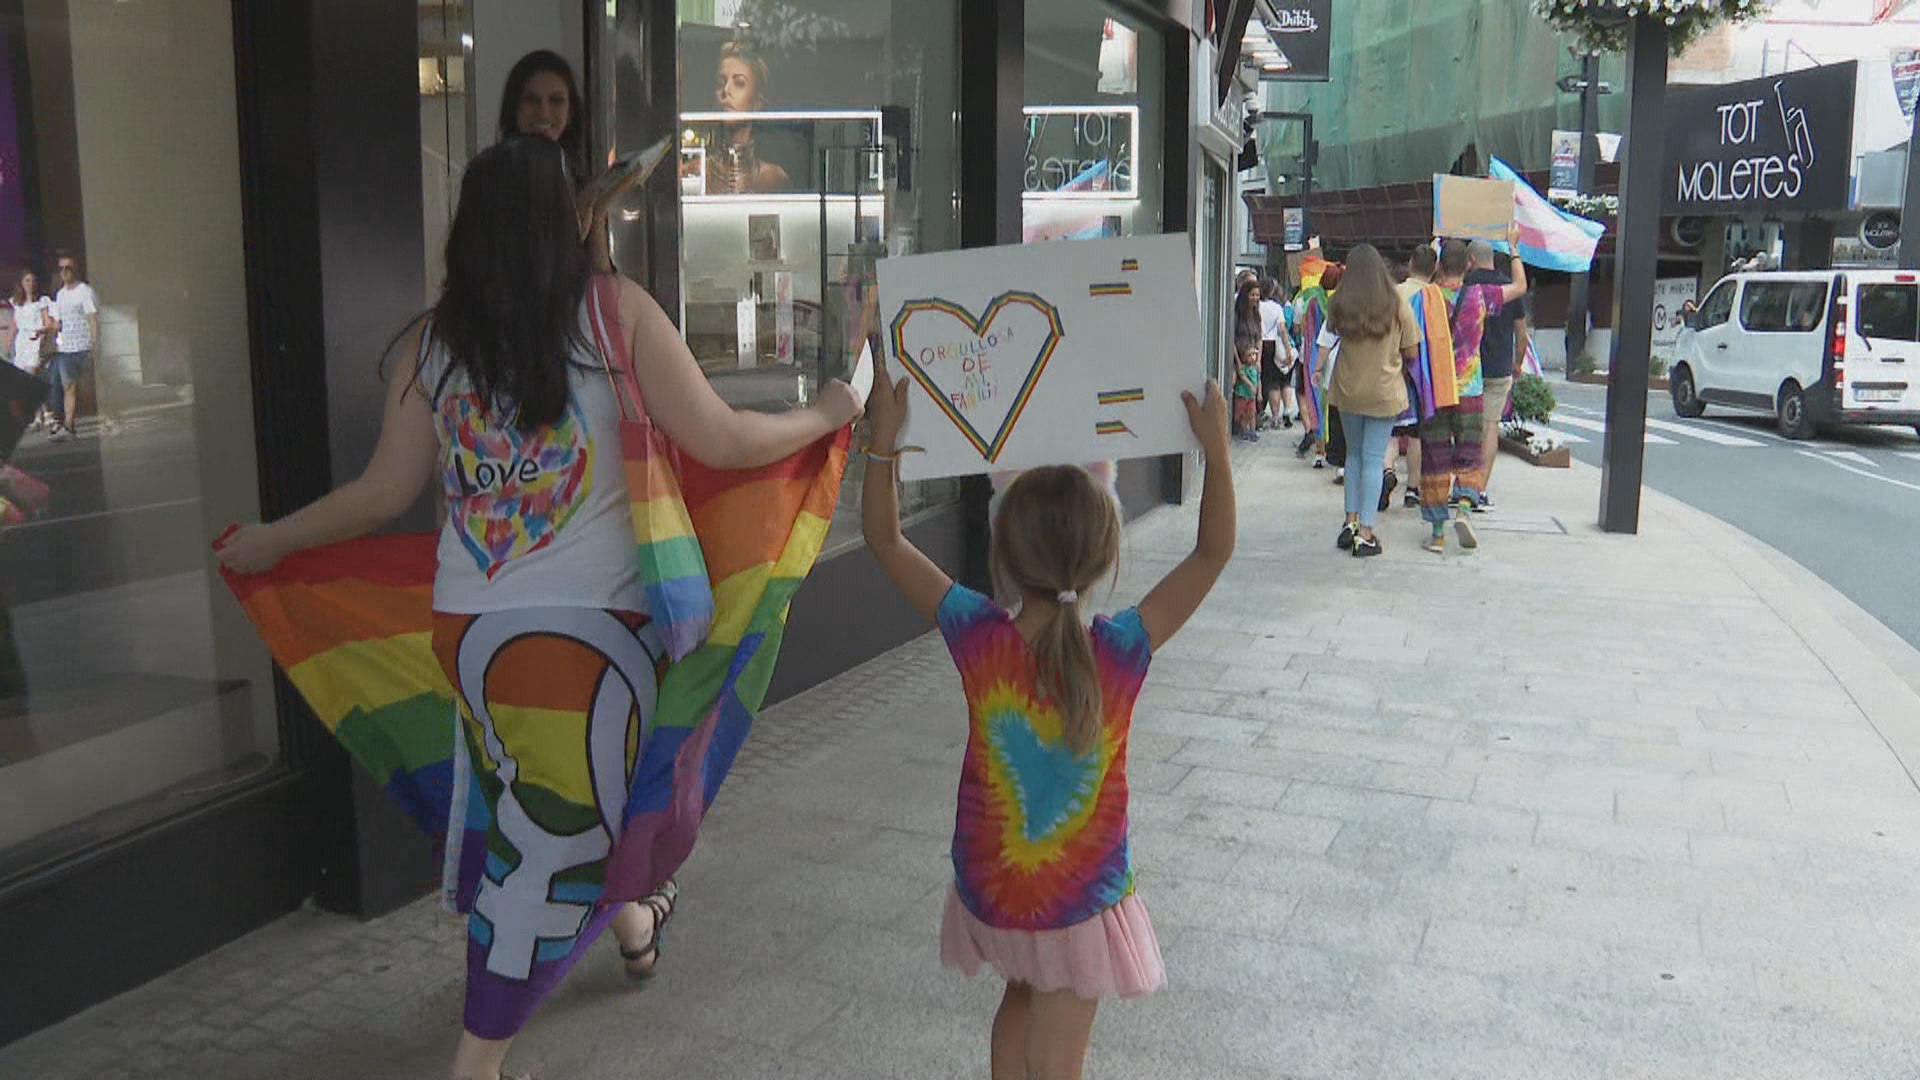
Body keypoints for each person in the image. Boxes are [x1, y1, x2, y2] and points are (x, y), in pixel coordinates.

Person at [216, 135, 862, 1080]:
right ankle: (478, 1058)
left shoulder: (435, 343)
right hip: (594, 641)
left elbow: (380, 491)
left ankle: (636, 924)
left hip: (471, 638)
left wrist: (276, 540)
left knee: (559, 809)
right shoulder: (614, 314)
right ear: (564, 220)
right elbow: (723, 441)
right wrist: (828, 411)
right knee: (553, 851)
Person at [861, 358, 1235, 1080]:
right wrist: (1215, 450)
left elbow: (883, 540)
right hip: (1077, 896)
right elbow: (1212, 552)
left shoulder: (976, 633)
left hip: (994, 888)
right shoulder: (1121, 650)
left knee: (1021, 1005)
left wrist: (884, 439)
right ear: (1104, 557)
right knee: (1059, 1056)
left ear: (1000, 549)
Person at [1425, 230, 1526, 556]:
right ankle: (1466, 509)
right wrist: (1513, 248)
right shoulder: (1480, 296)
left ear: (1441, 265)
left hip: (1437, 389)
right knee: (1470, 453)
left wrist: (1431, 249)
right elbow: (1521, 287)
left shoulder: (1428, 297)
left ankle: (1438, 534)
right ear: (1468, 266)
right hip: (1470, 390)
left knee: (1436, 458)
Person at [499, 50, 640, 276]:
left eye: (556, 101)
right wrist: (573, 228)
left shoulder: (575, 177)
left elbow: (602, 281)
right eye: (531, 100)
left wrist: (598, 212)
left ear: (571, 111)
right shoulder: (490, 178)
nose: (543, 112)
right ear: (514, 108)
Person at [1325, 245, 1419, 558]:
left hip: (1348, 390)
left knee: (1353, 457)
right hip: (1384, 391)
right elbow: (1412, 352)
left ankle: (1349, 523)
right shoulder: (1397, 303)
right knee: (1374, 459)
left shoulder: (1340, 302)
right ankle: (1366, 533)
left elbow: (1329, 334)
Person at [1463, 239, 1529, 512]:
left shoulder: (1465, 286)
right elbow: (1521, 335)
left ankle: (1461, 486)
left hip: (1468, 367)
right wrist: (1518, 363)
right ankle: (1479, 489)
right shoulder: (1507, 288)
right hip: (1500, 366)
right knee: (1490, 427)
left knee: (1466, 428)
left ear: (1471, 260)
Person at [1392, 245, 1456, 511]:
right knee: (1416, 435)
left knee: (1390, 432)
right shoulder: (1437, 298)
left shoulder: (1392, 294)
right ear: (1435, 269)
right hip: (1422, 375)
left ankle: (1386, 472)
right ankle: (1412, 489)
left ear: (1409, 263)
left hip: (1391, 370)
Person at [705, 41, 791, 194]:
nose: (726, 90)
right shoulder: (694, 173)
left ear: (757, 102)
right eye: (720, 83)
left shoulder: (774, 179)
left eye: (739, 83)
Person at [49, 253, 110, 439]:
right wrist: (46, 333)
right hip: (67, 349)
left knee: (92, 389)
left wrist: (95, 344)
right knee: (69, 387)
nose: (65, 272)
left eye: (69, 268)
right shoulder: (60, 295)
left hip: (84, 348)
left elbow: (92, 319)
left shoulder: (85, 291)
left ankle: (109, 419)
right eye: (62, 269)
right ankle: (69, 426)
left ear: (75, 270)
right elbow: (58, 323)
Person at [11, 271, 56, 432]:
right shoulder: (17, 303)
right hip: (22, 343)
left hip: (35, 341)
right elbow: (14, 326)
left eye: (33, 281)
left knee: (31, 377)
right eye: (27, 280)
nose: (30, 284)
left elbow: (48, 323)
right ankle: (40, 415)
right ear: (22, 283)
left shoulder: (41, 302)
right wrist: (10, 346)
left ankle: (48, 414)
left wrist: (42, 333)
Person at [1259, 277, 1299, 429]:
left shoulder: (1257, 306)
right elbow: (1283, 330)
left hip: (1261, 344)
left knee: (1272, 383)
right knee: (1285, 381)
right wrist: (1289, 351)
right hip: (1276, 346)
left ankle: (1275, 416)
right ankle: (1287, 411)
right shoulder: (1277, 308)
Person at [1232, 341, 1261, 442]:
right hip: (1242, 395)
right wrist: (1250, 385)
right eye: (1250, 355)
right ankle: (1243, 430)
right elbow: (1242, 376)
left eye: (1254, 354)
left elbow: (1258, 380)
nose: (1253, 357)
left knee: (1252, 413)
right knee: (1242, 414)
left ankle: (1252, 431)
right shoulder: (1242, 368)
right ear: (1244, 357)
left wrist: (1259, 393)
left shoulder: (1256, 368)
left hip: (1251, 397)